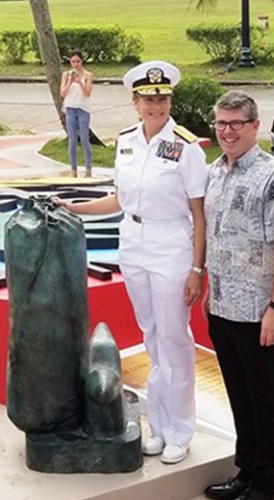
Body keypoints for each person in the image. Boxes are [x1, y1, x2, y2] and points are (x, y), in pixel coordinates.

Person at [53, 61, 207, 465]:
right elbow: (119, 200)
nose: (157, 105)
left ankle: (180, 431)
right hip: (133, 242)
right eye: (149, 99)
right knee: (151, 335)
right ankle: (158, 426)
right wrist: (74, 207)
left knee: (174, 338)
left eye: (163, 98)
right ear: (135, 103)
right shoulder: (125, 142)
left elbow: (199, 212)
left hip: (171, 244)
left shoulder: (187, 146)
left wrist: (196, 268)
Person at [203, 91, 274, 500]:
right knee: (238, 393)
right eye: (221, 123)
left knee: (265, 397)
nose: (227, 131)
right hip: (223, 304)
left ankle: (267, 485)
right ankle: (246, 469)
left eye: (236, 124)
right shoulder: (214, 173)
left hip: (259, 311)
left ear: (254, 126)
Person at [59, 50, 94, 178]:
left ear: (81, 61)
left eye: (78, 61)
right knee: (72, 140)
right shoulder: (66, 75)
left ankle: (88, 168)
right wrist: (69, 82)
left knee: (84, 139)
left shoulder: (88, 75)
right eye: (73, 61)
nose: (75, 64)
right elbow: (62, 93)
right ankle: (73, 169)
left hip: (83, 109)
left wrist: (80, 82)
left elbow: (88, 93)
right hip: (70, 108)